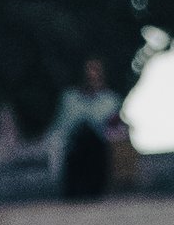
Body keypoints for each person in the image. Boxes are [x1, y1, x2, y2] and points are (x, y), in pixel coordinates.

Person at [44, 59, 126, 201]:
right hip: (74, 152)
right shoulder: (70, 99)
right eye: (88, 74)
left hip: (98, 153)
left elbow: (116, 130)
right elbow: (61, 127)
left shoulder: (110, 100)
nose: (92, 78)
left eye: (96, 74)